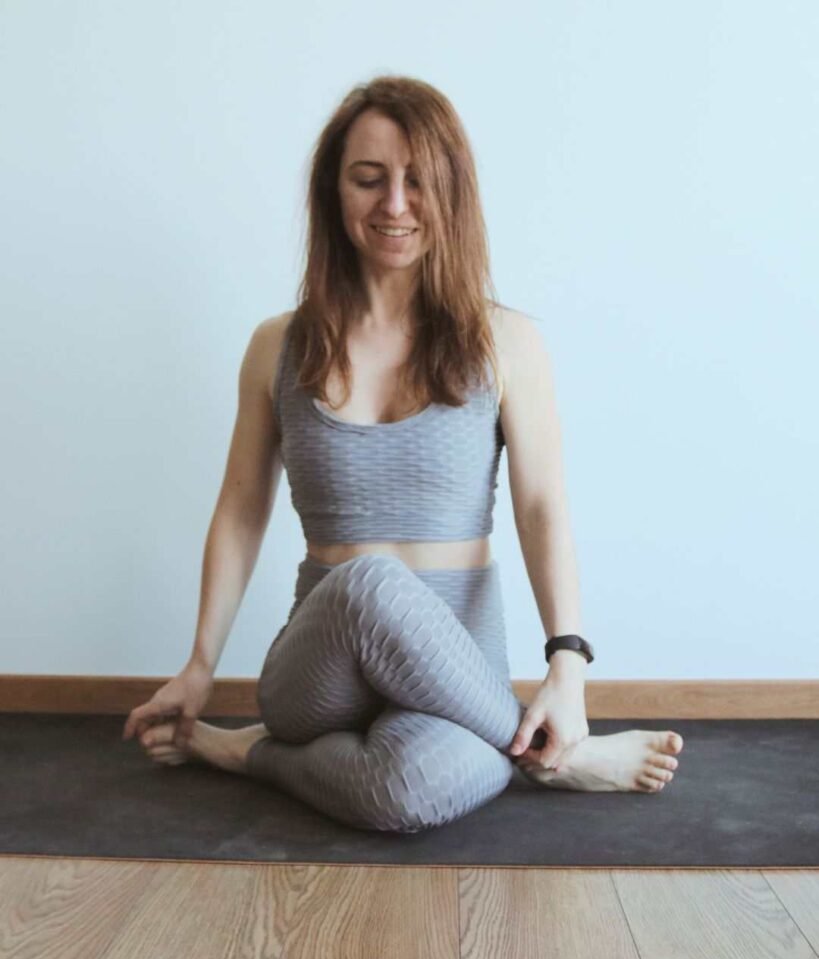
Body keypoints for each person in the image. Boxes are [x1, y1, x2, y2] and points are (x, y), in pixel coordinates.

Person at [122, 76, 683, 833]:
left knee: (405, 794)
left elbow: (542, 506)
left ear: (451, 193)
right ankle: (556, 755)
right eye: (369, 179)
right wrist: (199, 664)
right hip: (321, 669)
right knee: (370, 583)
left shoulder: (505, 342)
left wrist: (568, 667)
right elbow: (241, 507)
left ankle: (241, 755)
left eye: (417, 181)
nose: (394, 204)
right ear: (333, 192)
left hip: (459, 665)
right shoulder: (275, 347)